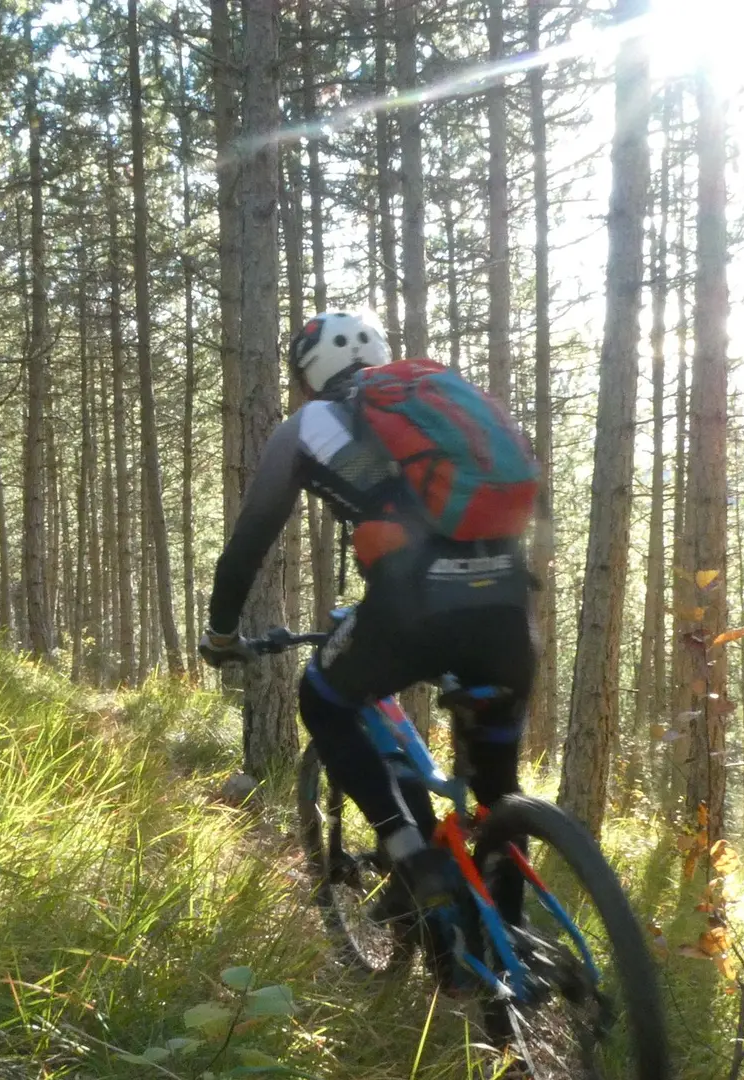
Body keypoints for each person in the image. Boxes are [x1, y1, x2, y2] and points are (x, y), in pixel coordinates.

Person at [197, 309, 538, 981]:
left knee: (323, 698)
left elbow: (249, 542)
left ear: (306, 377)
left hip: (412, 611)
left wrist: (222, 632)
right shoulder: (449, 405)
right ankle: (507, 967)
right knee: (499, 795)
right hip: (506, 610)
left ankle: (413, 856)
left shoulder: (308, 426)